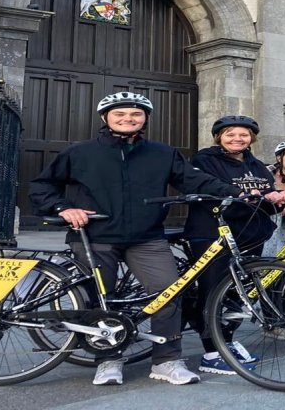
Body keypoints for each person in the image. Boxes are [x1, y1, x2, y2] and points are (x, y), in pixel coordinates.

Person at [30, 92, 243, 386]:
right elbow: (42, 186)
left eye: (135, 114)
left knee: (168, 292)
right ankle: (108, 360)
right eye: (120, 114)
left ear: (145, 119)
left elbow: (197, 180)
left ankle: (166, 360)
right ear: (106, 118)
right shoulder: (79, 152)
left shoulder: (162, 153)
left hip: (146, 237)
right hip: (95, 236)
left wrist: (239, 193)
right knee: (99, 301)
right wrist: (63, 207)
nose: (128, 119)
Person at [185, 115, 285, 375]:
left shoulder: (255, 164)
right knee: (212, 291)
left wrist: (279, 198)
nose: (237, 138)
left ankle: (227, 341)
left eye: (243, 134)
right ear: (218, 137)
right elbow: (207, 189)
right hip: (213, 233)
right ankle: (211, 351)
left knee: (235, 293)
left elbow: (264, 196)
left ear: (251, 138)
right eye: (230, 133)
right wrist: (246, 195)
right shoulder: (204, 160)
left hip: (249, 234)